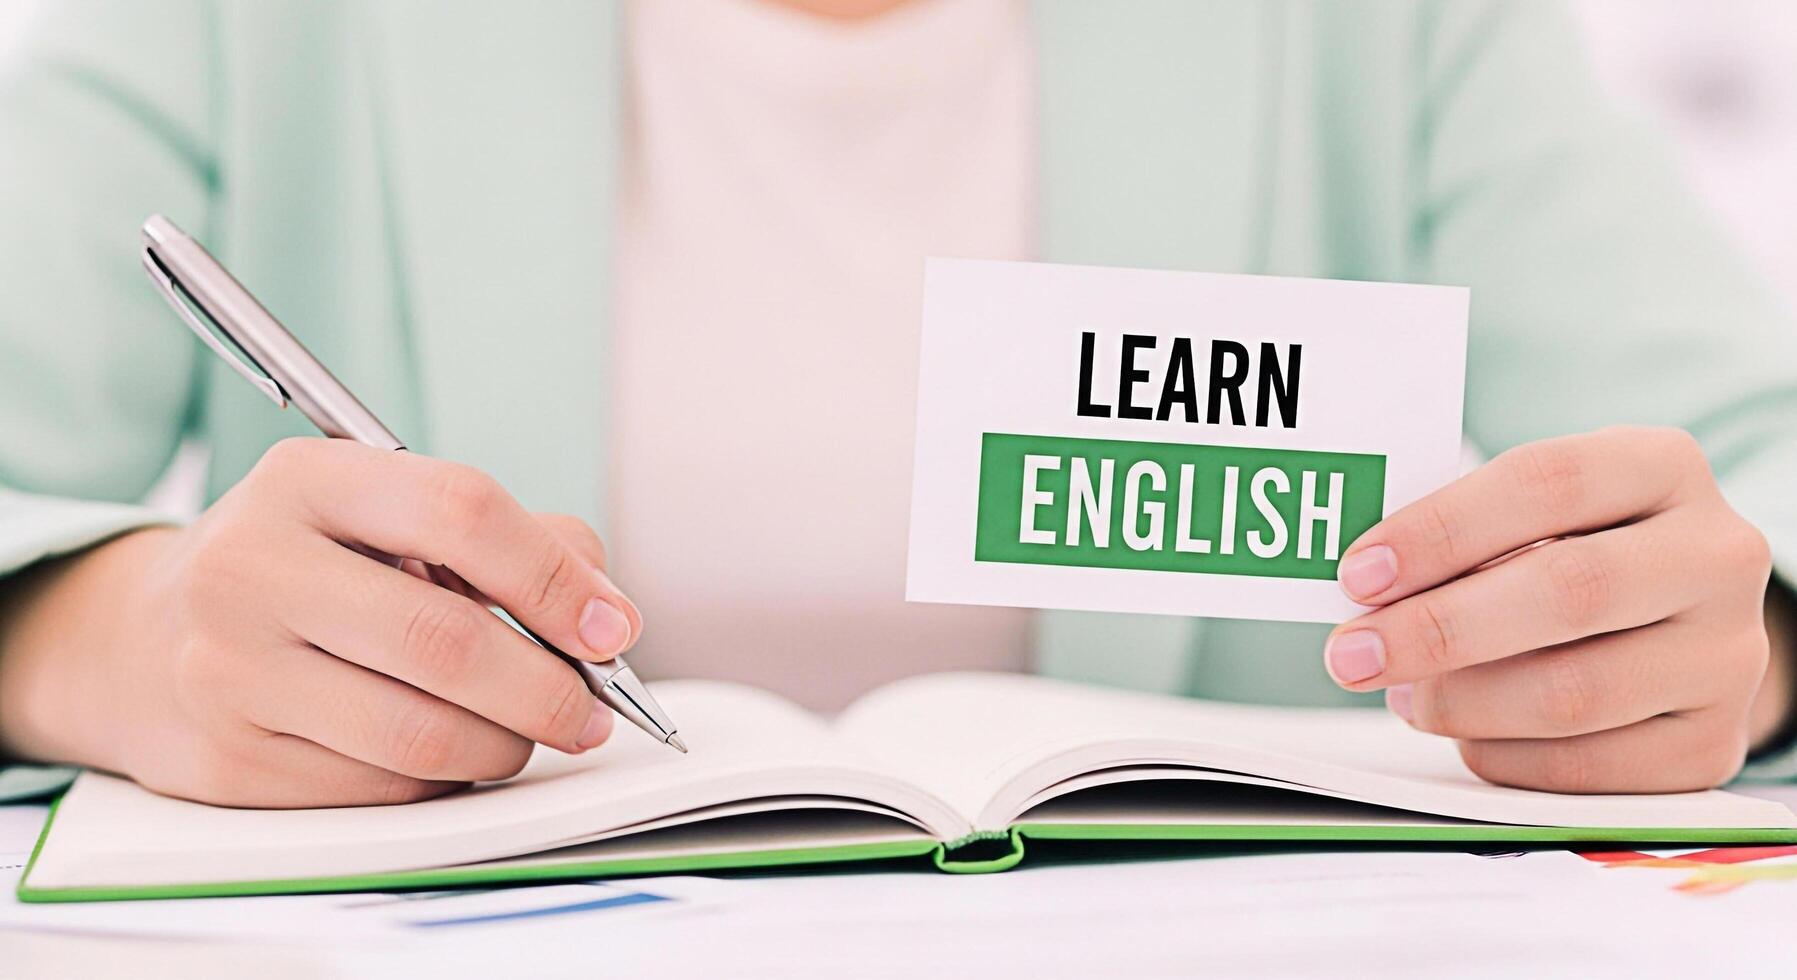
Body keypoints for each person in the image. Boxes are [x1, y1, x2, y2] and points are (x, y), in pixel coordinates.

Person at [1, 0, 1794, 807]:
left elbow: (1757, 474)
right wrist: (103, 638)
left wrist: (1744, 642)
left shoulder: (1388, 25)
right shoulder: (230, 17)